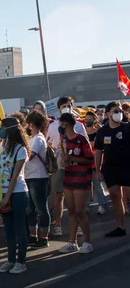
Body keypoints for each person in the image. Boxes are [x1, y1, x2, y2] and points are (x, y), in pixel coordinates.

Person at [46, 97, 88, 236]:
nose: (67, 107)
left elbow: (86, 146)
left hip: (76, 167)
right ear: (58, 109)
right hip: (59, 166)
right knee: (59, 196)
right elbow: (48, 144)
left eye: (69, 105)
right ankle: (58, 224)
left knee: (76, 198)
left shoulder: (80, 126)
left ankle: (79, 225)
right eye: (64, 106)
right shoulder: (53, 126)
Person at [0, 117, 30, 274]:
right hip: (4, 193)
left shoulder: (21, 149)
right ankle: (10, 260)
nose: (0, 129)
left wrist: (7, 197)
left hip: (17, 193)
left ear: (10, 129)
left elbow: (15, 176)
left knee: (19, 228)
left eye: (2, 127)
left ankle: (21, 261)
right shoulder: (4, 145)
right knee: (8, 230)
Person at [58, 113, 94, 254]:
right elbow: (63, 160)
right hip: (68, 178)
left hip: (81, 178)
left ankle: (87, 241)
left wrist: (73, 158)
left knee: (80, 211)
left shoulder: (81, 139)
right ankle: (72, 242)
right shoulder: (63, 140)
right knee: (71, 211)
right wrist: (64, 160)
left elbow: (90, 160)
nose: (60, 126)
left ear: (66, 124)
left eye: (61, 124)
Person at [95, 102, 130, 237]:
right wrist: (98, 170)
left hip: (127, 166)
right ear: (108, 113)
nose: (118, 113)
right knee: (115, 197)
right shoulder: (102, 132)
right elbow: (98, 151)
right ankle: (120, 227)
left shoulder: (127, 128)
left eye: (120, 111)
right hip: (110, 168)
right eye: (115, 111)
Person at [25, 111, 51, 248]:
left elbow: (29, 156)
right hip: (29, 177)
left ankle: (44, 237)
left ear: (32, 124)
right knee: (30, 209)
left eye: (28, 123)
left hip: (38, 177)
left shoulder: (39, 139)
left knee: (41, 209)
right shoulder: (32, 138)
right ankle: (33, 235)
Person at [84, 111, 106, 215]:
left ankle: (102, 204)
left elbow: (98, 147)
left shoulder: (98, 133)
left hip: (95, 162)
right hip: (85, 162)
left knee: (97, 184)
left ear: (94, 120)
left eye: (90, 120)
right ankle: (86, 206)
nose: (87, 122)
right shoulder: (82, 132)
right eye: (86, 120)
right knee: (86, 185)